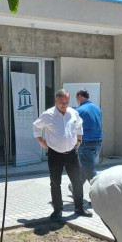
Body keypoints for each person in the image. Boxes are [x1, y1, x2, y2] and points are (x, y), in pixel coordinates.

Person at [33, 89, 92, 221]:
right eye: (61, 102)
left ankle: (79, 207)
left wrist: (79, 140)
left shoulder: (73, 113)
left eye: (66, 102)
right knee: (55, 183)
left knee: (77, 181)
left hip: (71, 153)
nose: (64, 104)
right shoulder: (48, 115)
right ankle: (58, 210)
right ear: (56, 101)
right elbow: (36, 126)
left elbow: (79, 126)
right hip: (55, 154)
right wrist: (41, 141)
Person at [75, 89, 104, 185]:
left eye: (77, 98)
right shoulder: (97, 108)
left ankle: (100, 190)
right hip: (97, 142)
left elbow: (74, 127)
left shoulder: (79, 110)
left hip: (85, 143)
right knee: (85, 166)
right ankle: (75, 188)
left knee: (89, 170)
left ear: (80, 97)